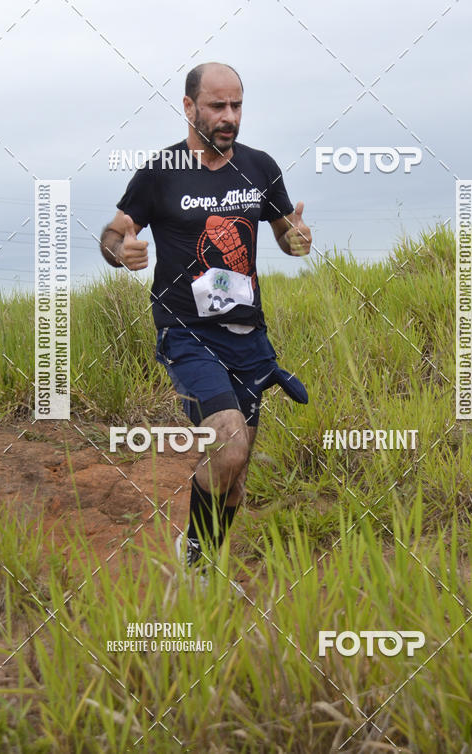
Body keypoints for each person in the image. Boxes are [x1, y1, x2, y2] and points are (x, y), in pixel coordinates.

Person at [100, 62, 311, 582]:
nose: (229, 117)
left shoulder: (260, 168)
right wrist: (119, 250)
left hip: (249, 338)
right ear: (190, 107)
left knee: (234, 478)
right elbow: (114, 231)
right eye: (217, 106)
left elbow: (287, 232)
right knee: (229, 443)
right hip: (188, 333)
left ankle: (205, 565)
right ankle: (194, 558)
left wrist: (295, 238)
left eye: (237, 105)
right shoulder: (160, 172)